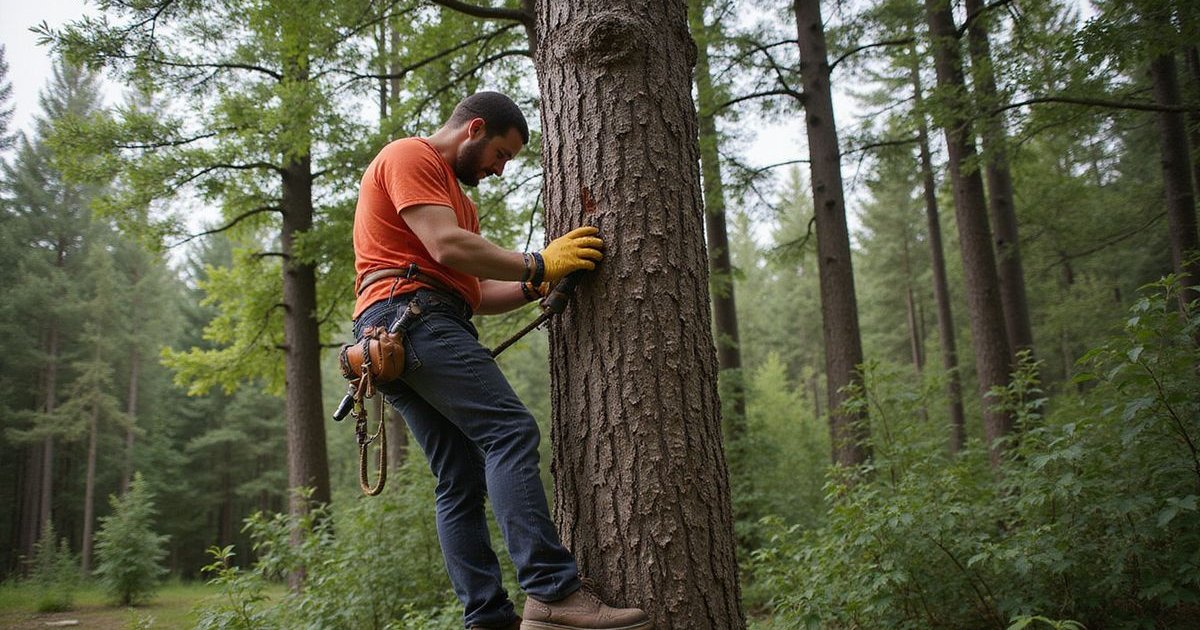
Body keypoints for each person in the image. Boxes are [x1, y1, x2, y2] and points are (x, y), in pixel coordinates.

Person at [351, 91, 652, 630]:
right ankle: (553, 593)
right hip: (411, 319)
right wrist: (537, 260)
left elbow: (476, 293)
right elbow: (446, 248)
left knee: (458, 477)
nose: (498, 169)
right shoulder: (410, 156)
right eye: (501, 155)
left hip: (401, 334)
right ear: (474, 129)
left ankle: (488, 619)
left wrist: (542, 278)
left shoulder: (458, 203)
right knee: (509, 432)